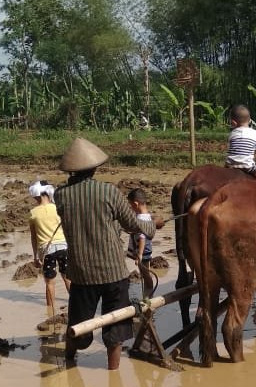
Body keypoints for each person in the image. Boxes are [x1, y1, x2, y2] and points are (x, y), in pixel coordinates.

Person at [54, 137, 163, 371]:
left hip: (81, 272)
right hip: (113, 271)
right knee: (116, 329)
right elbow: (132, 224)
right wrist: (152, 227)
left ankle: (69, 363)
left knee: (78, 324)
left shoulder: (60, 195)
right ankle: (113, 375)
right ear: (95, 167)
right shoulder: (109, 192)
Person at [28, 180, 70, 311]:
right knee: (68, 278)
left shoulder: (33, 213)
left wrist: (35, 257)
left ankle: (50, 311)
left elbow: (34, 237)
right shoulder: (58, 208)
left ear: (37, 196)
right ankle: (76, 305)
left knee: (50, 282)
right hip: (63, 247)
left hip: (47, 251)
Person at [225, 104, 256, 181]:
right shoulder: (255, 133)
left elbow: (230, 149)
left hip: (230, 165)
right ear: (250, 120)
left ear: (233, 123)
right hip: (247, 166)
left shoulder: (232, 134)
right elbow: (255, 150)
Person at [127, 188, 155, 299]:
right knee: (145, 273)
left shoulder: (140, 219)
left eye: (130, 205)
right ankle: (148, 294)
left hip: (142, 251)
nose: (130, 208)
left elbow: (142, 237)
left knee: (145, 274)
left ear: (135, 204)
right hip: (147, 251)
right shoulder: (147, 216)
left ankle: (148, 296)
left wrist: (139, 254)